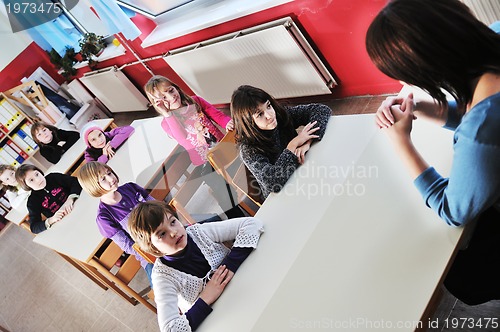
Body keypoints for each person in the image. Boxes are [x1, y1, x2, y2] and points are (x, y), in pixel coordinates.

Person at [366, 0, 500, 304]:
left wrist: (402, 145)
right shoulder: (494, 34)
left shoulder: (480, 133)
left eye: (404, 75)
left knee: (459, 272)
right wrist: (423, 109)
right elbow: (480, 113)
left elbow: (453, 209)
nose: (402, 84)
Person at [128, 200, 263, 332]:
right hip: (221, 319)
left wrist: (230, 266)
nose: (173, 232)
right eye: (162, 234)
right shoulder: (162, 277)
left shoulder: (199, 232)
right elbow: (170, 329)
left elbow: (251, 224)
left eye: (173, 222)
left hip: (248, 290)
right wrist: (206, 296)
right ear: (153, 249)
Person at [144, 75, 244, 219]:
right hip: (205, 163)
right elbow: (182, 137)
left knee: (247, 157)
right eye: (164, 97)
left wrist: (227, 123)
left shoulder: (195, 101)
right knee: (223, 192)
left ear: (176, 87)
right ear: (157, 103)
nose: (171, 97)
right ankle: (239, 220)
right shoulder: (167, 123)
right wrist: (167, 114)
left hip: (222, 148)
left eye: (171, 90)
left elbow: (217, 115)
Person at [230, 85, 332, 199]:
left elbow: (321, 110)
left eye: (268, 106)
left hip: (306, 172)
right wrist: (293, 145)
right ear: (248, 122)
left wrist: (308, 141)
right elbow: (273, 183)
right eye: (260, 114)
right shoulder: (249, 149)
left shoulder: (279, 115)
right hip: (285, 196)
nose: (269, 115)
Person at [77, 161, 154, 283]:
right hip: (148, 253)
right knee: (161, 287)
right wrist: (152, 246)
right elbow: (129, 246)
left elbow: (158, 207)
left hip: (166, 231)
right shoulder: (104, 217)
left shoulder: (131, 187)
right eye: (103, 179)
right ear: (93, 187)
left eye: (109, 173)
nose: (110, 178)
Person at [15, 164, 82, 234]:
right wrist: (51, 219)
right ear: (26, 186)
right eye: (31, 180)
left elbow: (75, 182)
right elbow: (34, 227)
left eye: (37, 174)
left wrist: (70, 199)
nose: (38, 180)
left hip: (78, 205)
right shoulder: (32, 201)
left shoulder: (53, 177)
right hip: (66, 222)